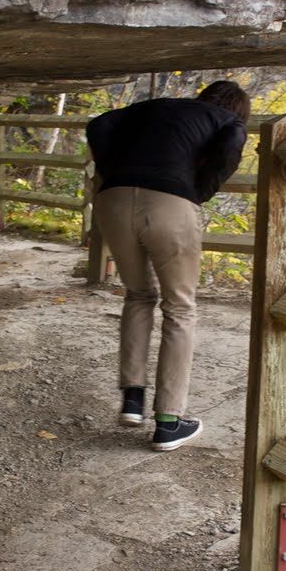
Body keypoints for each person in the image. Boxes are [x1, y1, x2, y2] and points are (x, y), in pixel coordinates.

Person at [85, 80, 251, 451]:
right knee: (179, 308)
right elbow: (228, 150)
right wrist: (200, 190)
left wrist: (115, 170)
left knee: (138, 294)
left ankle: (132, 399)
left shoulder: (157, 108)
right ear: (239, 110)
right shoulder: (229, 121)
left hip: (112, 199)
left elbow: (98, 124)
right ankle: (169, 422)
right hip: (171, 204)